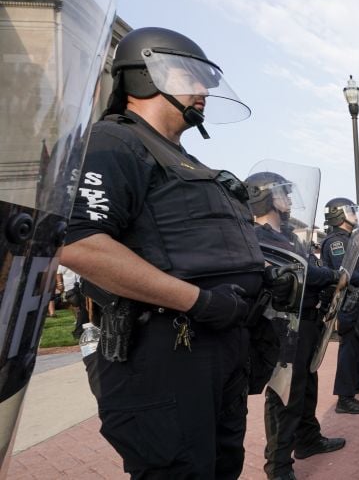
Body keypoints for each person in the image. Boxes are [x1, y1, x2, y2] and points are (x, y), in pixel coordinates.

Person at [61, 27, 265, 478]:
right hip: (166, 350)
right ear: (147, 76)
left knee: (220, 466)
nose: (203, 90)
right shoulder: (114, 143)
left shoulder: (180, 159)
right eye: (191, 76)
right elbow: (79, 243)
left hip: (216, 347)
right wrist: (201, 301)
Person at [245, 171, 347, 480]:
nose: (289, 199)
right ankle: (278, 467)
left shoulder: (288, 235)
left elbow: (310, 268)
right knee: (284, 395)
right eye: (283, 193)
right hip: (282, 328)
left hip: (306, 322)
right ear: (266, 196)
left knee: (306, 387)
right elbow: (298, 271)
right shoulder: (259, 237)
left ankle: (307, 439)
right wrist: (331, 276)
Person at [320, 197, 359, 414]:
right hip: (348, 303)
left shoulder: (349, 238)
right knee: (348, 348)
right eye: (350, 211)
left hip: (358, 300)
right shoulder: (336, 241)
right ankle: (344, 398)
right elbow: (343, 275)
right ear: (339, 214)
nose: (355, 215)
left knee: (357, 345)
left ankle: (357, 382)